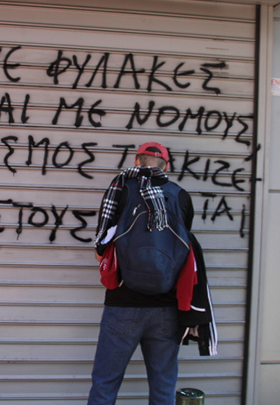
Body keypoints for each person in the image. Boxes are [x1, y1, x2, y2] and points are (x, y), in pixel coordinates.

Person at [88, 142, 194, 405]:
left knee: (105, 384)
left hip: (122, 305)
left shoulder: (119, 191)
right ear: (166, 166)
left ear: (137, 162)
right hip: (166, 309)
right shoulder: (181, 196)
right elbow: (183, 251)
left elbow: (101, 250)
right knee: (162, 388)